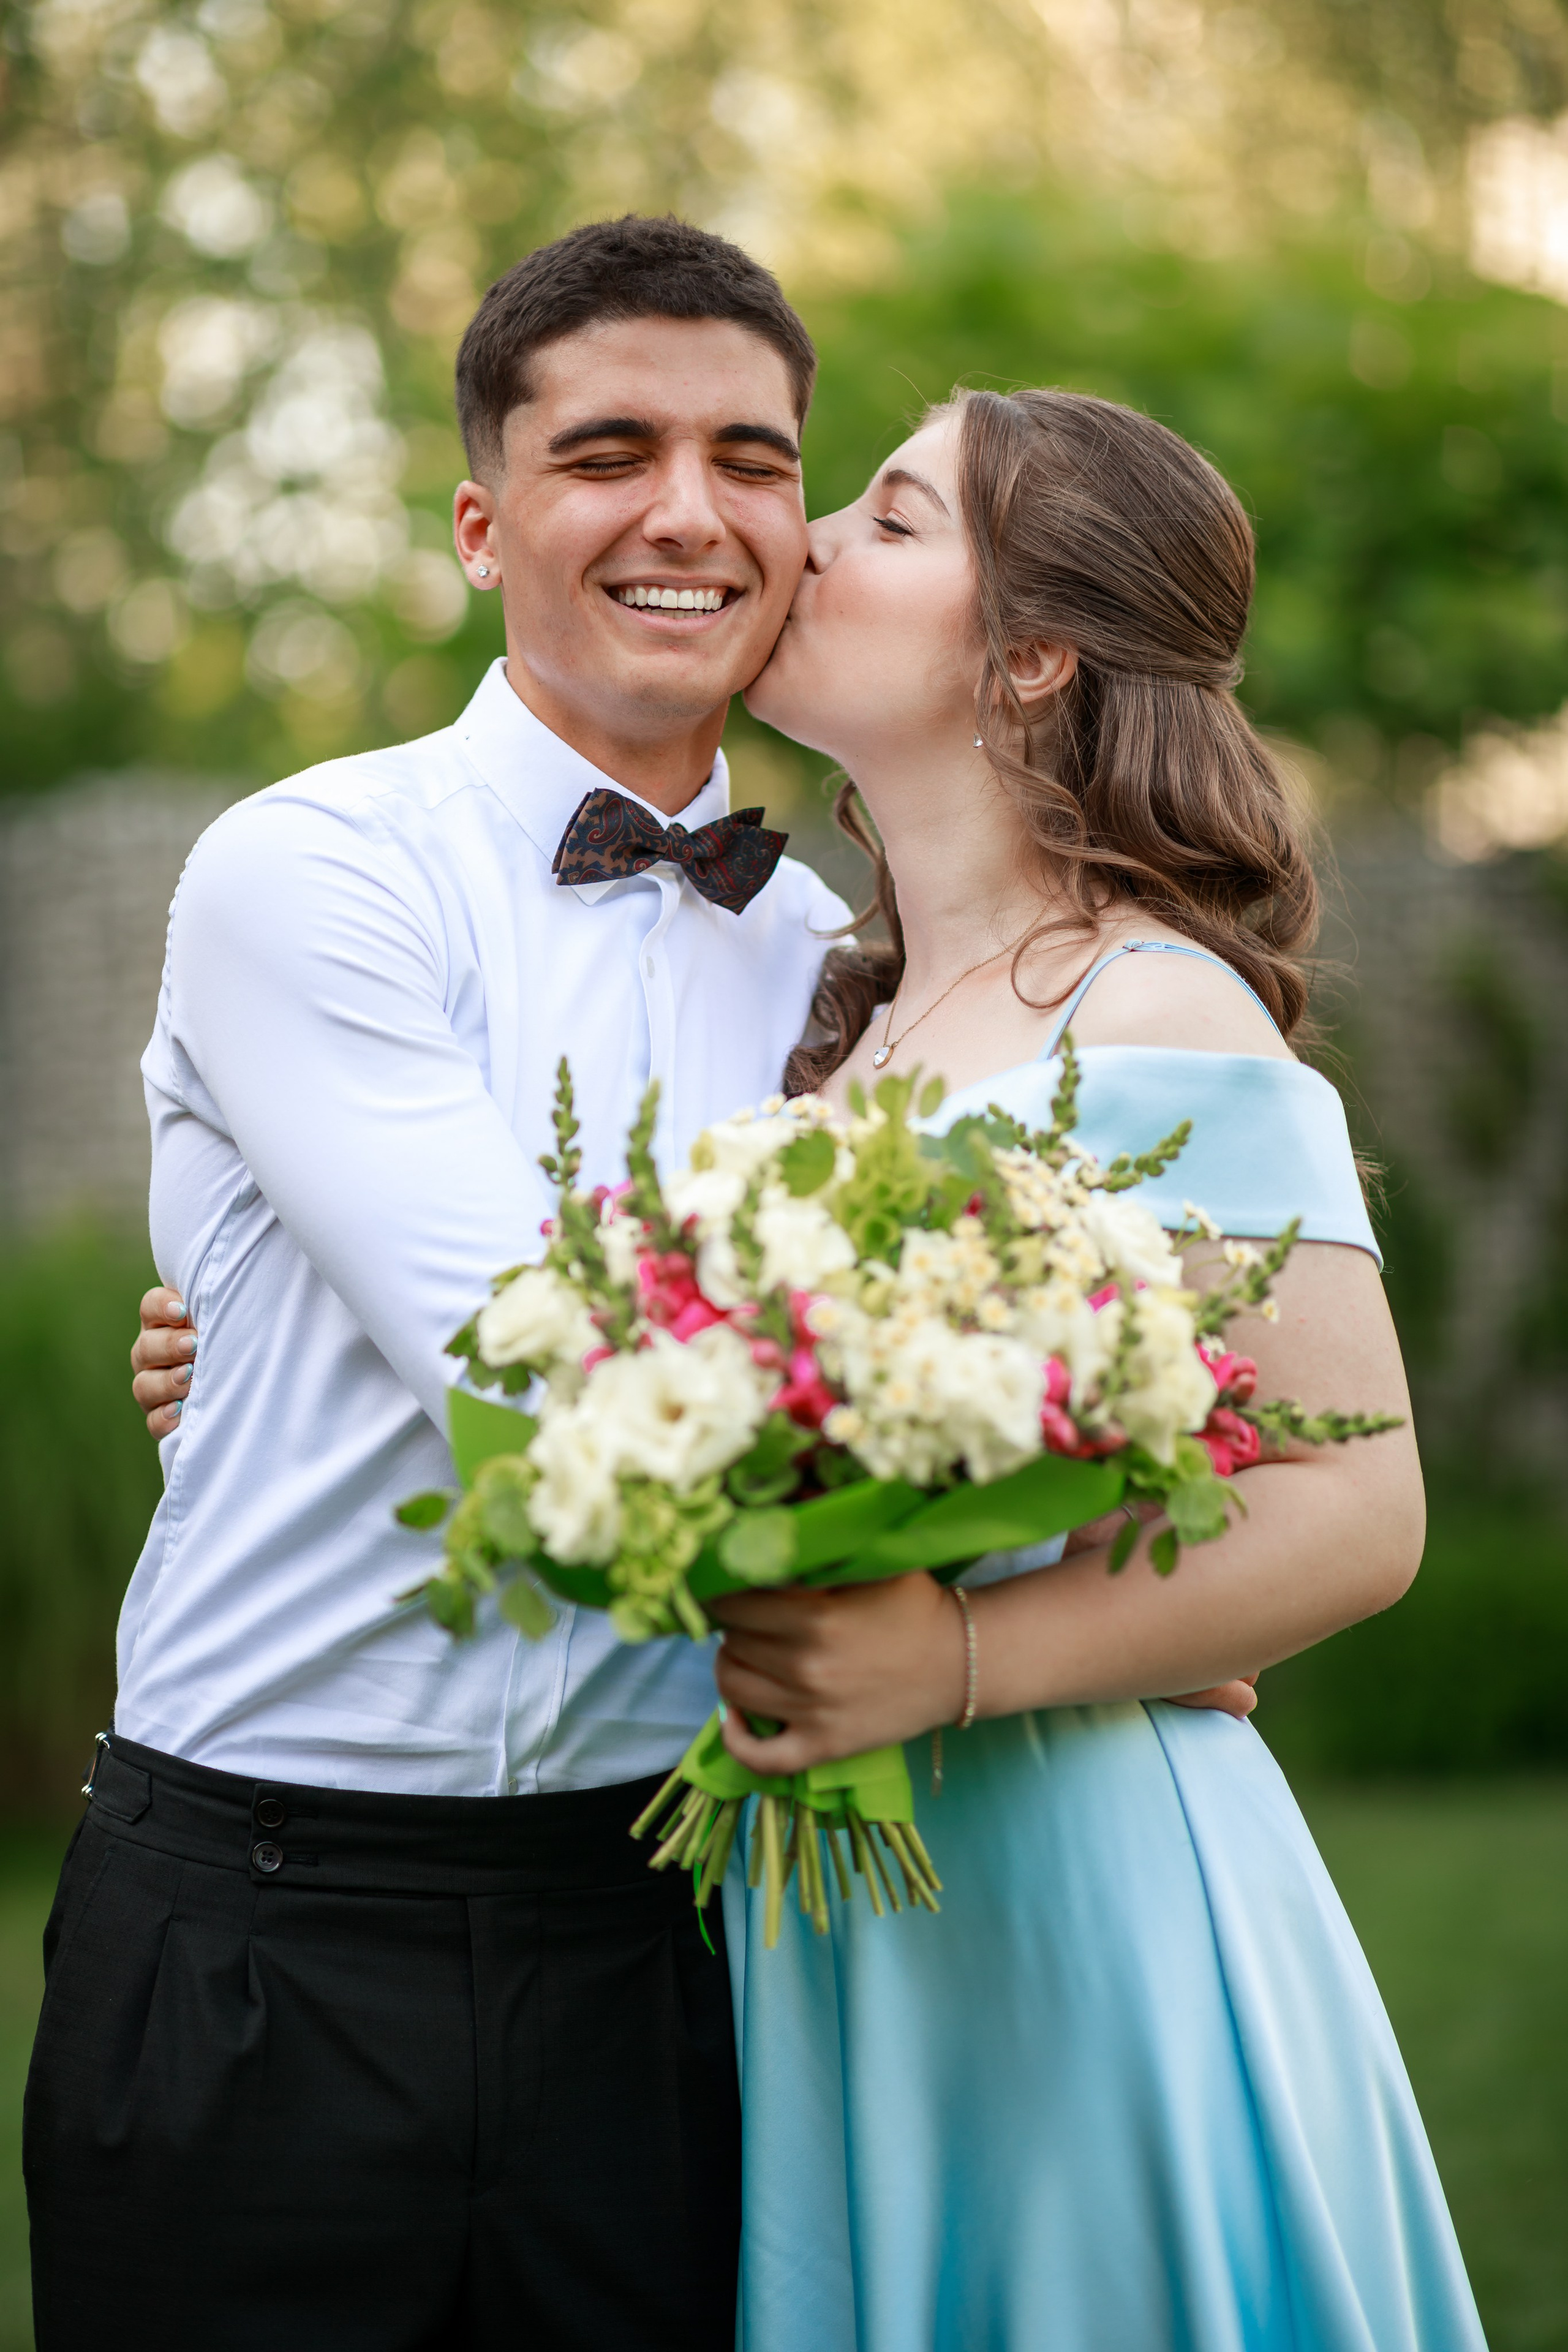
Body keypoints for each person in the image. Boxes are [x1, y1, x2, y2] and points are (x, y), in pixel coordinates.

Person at [24, 214, 843, 2352]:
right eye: (611, 452)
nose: (691, 511)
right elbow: (539, 1372)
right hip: (266, 1925)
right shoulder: (315, 867)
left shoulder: (847, 956)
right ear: (484, 525)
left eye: (754, 457)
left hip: (668, 1922)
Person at [702, 386, 1486, 2348]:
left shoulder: (1154, 1008)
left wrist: (953, 1658)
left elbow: (1361, 1504)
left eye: (888, 518)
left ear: (1033, 653)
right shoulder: (831, 1025)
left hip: (1066, 1888)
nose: (807, 545)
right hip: (817, 1907)